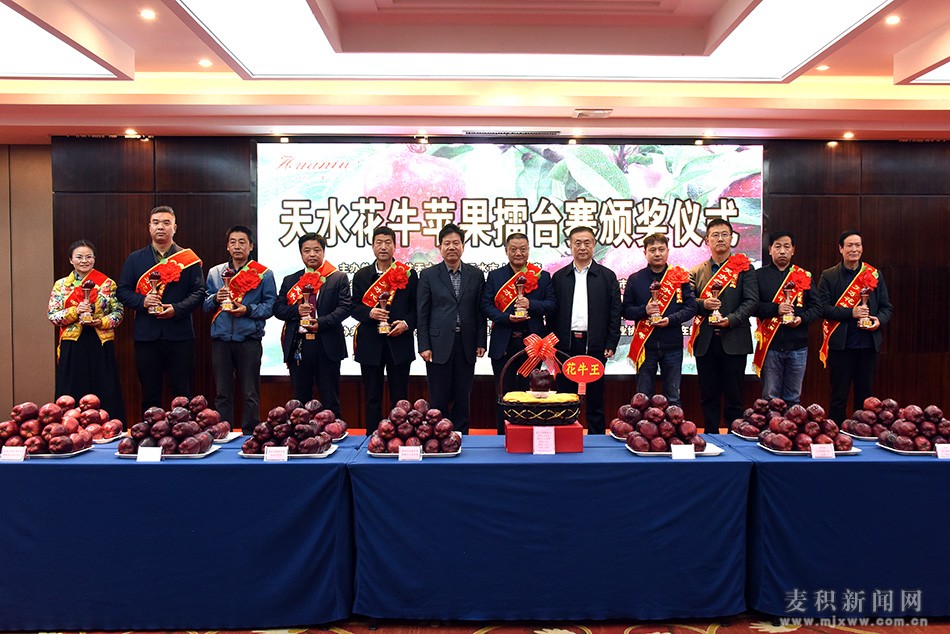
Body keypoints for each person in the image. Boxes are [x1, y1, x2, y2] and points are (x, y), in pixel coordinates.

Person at [117, 205, 204, 413]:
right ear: (149, 227)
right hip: (147, 336)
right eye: (156, 223)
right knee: (150, 393)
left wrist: (176, 308)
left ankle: (185, 433)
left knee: (182, 394)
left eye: (166, 223)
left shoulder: (188, 259)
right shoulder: (135, 259)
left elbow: (199, 292)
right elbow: (122, 291)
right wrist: (143, 301)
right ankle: (150, 432)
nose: (161, 227)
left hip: (180, 335)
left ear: (175, 227)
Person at [204, 225, 276, 435]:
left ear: (251, 246)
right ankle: (223, 433)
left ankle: (251, 435)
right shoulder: (215, 273)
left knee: (250, 392)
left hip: (249, 339)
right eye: (233, 242)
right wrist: (215, 298)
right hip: (221, 340)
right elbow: (205, 305)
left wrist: (248, 310)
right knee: (222, 393)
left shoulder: (264, 274)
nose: (237, 246)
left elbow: (270, 306)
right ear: (227, 246)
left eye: (242, 242)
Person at [817, 230, 893, 425]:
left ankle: (863, 433)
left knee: (865, 398)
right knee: (838, 397)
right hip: (841, 347)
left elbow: (886, 308)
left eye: (858, 245)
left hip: (868, 346)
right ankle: (836, 435)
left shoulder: (874, 274)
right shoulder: (829, 276)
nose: (854, 249)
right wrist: (852, 313)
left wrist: (878, 320)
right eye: (849, 245)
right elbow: (823, 309)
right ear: (841, 249)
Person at [550, 226, 621, 435]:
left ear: (594, 244)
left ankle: (597, 437)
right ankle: (565, 434)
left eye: (587, 242)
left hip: (595, 343)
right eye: (577, 243)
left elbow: (615, 312)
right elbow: (552, 313)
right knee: (565, 394)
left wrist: (611, 342)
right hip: (566, 343)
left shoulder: (607, 276)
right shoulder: (559, 277)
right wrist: (552, 343)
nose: (582, 247)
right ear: (570, 245)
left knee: (595, 395)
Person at [688, 218, 758, 434]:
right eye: (715, 235)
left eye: (724, 234)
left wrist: (732, 319)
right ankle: (710, 436)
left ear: (732, 238)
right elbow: (688, 302)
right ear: (707, 240)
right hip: (706, 342)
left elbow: (751, 301)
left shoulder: (745, 268)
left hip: (734, 339)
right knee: (708, 395)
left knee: (734, 396)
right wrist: (703, 304)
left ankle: (734, 437)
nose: (720, 239)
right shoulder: (696, 271)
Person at [482, 232, 556, 433]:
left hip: (532, 344)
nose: (518, 253)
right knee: (503, 393)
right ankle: (503, 436)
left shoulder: (542, 276)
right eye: (513, 249)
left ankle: (527, 434)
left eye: (523, 249)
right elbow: (486, 306)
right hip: (503, 344)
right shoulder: (495, 276)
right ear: (506, 251)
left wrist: (531, 304)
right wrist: (507, 318)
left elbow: (551, 305)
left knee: (529, 392)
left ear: (529, 250)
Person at [417, 223, 487, 434]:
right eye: (447, 243)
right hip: (437, 345)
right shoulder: (428, 275)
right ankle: (438, 439)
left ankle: (461, 438)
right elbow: (422, 312)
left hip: (466, 344)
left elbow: (479, 311)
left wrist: (481, 341)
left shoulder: (476, 275)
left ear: (463, 246)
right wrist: (423, 345)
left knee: (462, 397)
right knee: (438, 398)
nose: (451, 247)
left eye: (456, 243)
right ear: (440, 247)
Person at [47, 240, 126, 424]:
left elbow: (118, 313)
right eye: (79, 257)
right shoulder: (61, 285)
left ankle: (109, 429)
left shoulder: (107, 284)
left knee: (105, 389)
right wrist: (75, 311)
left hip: (100, 342)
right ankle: (69, 429)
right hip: (72, 344)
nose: (84, 261)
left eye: (88, 257)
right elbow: (53, 315)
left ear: (94, 259)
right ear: (70, 260)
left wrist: (101, 321)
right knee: (71, 390)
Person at [273, 232, 351, 418]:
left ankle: (333, 432)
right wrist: (297, 310)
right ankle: (302, 434)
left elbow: (345, 308)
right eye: (307, 250)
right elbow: (278, 309)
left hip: (327, 344)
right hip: (299, 345)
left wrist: (320, 323)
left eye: (317, 250)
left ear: (323, 252)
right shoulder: (290, 280)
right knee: (300, 400)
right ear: (301, 253)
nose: (312, 254)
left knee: (330, 398)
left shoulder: (338, 278)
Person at [351, 227, 417, 432]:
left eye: (388, 242)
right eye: (379, 242)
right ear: (372, 246)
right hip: (371, 344)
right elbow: (353, 307)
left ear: (395, 246)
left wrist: (406, 324)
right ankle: (372, 437)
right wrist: (370, 313)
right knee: (372, 396)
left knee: (400, 397)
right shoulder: (362, 276)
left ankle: (401, 436)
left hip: (399, 342)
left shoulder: (408, 274)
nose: (383, 247)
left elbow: (418, 308)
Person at [622, 233, 696, 406]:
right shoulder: (635, 279)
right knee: (643, 398)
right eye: (652, 250)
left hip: (673, 345)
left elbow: (691, 307)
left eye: (661, 249)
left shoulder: (679, 277)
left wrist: (670, 320)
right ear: (645, 253)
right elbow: (626, 311)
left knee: (673, 398)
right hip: (646, 346)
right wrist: (644, 310)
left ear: (668, 251)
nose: (657, 254)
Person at [753, 231, 821, 405]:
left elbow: (817, 308)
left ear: (793, 250)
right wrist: (776, 309)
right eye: (777, 246)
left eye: (786, 246)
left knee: (793, 398)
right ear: (770, 250)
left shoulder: (804, 275)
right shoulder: (759, 276)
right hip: (770, 346)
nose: (782, 251)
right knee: (770, 398)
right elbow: (752, 307)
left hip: (798, 346)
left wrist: (801, 318)